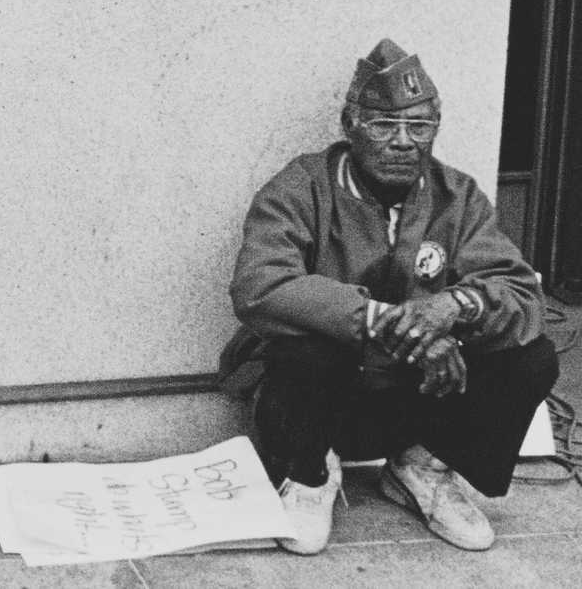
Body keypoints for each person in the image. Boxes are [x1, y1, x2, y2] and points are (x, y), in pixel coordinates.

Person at [222, 38, 557, 556]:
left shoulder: (457, 195)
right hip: (318, 398)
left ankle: (422, 468)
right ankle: (309, 477)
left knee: (530, 356)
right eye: (384, 125)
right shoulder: (302, 185)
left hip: (413, 394)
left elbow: (519, 292)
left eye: (419, 128)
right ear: (349, 125)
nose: (403, 142)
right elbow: (260, 284)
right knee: (305, 344)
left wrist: (455, 308)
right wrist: (383, 321)